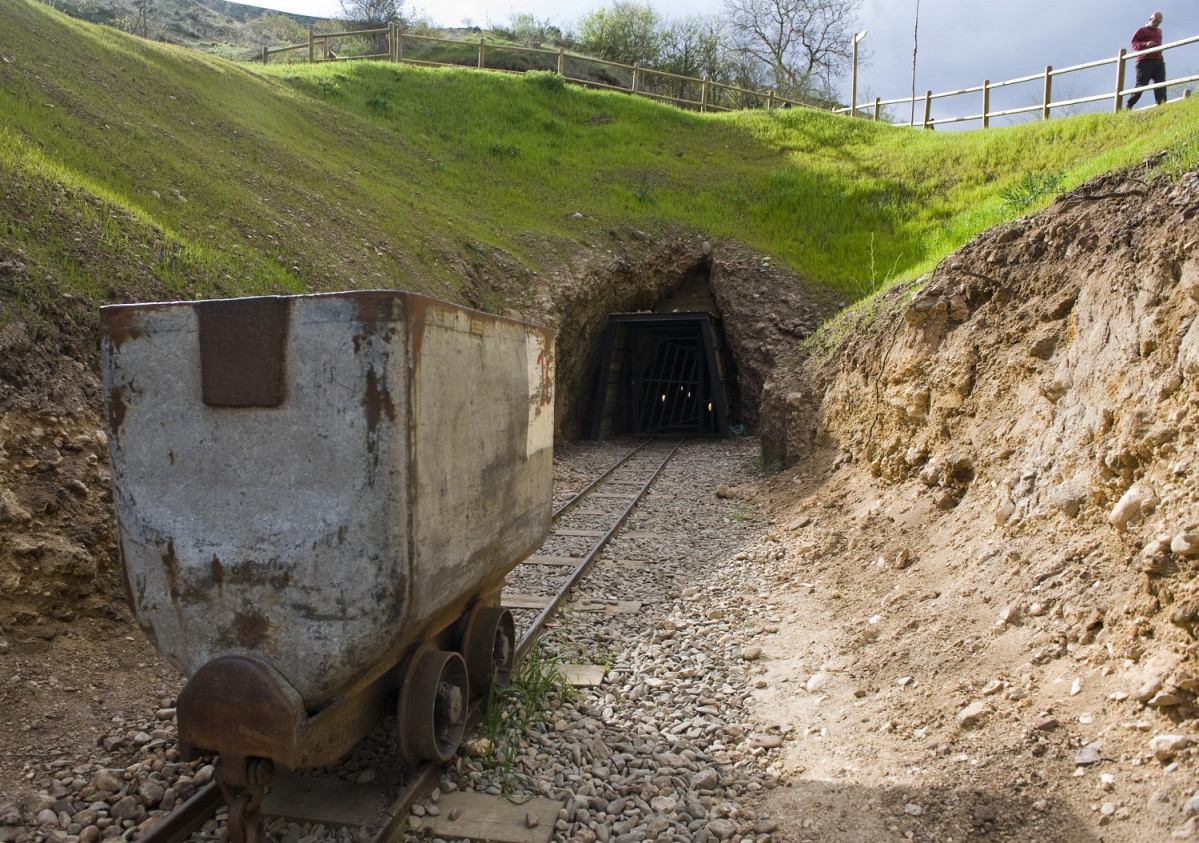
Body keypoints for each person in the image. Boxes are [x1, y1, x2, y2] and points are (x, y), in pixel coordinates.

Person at [1125, 11, 1166, 109]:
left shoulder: (1159, 32)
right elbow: (1133, 44)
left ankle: (1162, 106)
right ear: (1150, 19)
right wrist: (1145, 44)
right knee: (1142, 85)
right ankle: (1129, 106)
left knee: (1161, 83)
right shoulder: (1141, 30)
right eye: (1155, 21)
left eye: (1159, 22)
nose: (1157, 23)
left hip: (1159, 60)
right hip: (1145, 61)